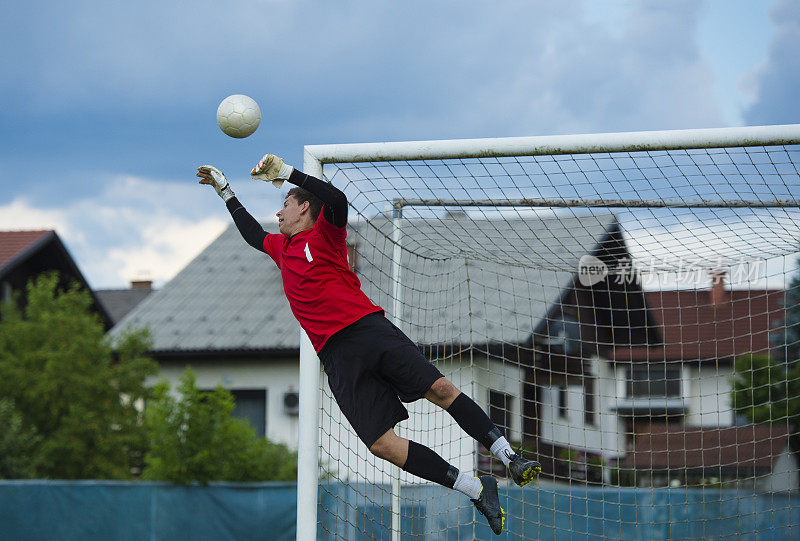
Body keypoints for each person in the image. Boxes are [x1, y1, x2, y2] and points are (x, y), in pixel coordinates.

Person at [196, 155, 541, 535]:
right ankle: (476, 488)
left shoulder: (325, 233)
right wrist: (226, 192)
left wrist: (287, 173)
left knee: (441, 388)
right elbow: (250, 232)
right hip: (336, 357)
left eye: (285, 205)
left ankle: (510, 458)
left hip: (367, 330)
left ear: (305, 208)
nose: (278, 214)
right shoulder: (282, 248)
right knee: (382, 445)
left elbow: (338, 199)